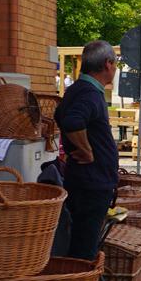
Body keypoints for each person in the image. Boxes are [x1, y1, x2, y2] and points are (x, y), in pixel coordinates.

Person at [55, 40, 120, 260]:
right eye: (115, 63)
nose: (116, 68)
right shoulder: (88, 93)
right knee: (84, 247)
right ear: (107, 64)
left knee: (81, 241)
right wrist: (86, 150)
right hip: (91, 184)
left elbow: (59, 116)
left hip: (86, 181)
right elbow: (72, 121)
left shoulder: (77, 89)